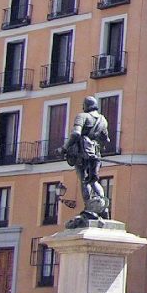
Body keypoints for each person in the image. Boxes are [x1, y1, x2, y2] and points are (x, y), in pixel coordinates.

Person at [61, 96, 111, 224]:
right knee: (94, 180)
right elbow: (106, 139)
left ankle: (89, 208)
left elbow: (76, 133)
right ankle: (103, 206)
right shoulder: (103, 120)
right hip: (96, 154)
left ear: (86, 105)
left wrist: (65, 148)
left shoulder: (82, 116)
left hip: (82, 153)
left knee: (84, 181)